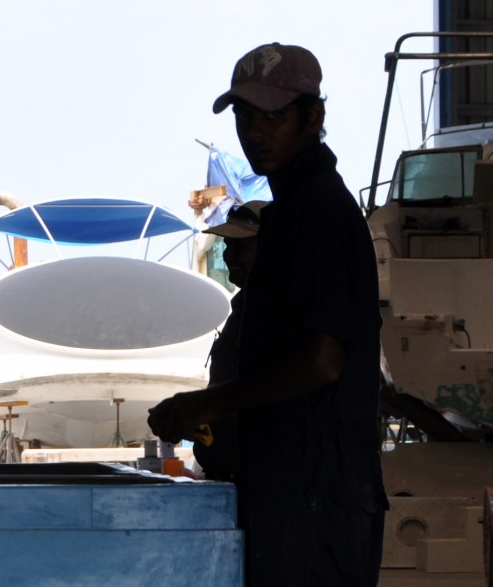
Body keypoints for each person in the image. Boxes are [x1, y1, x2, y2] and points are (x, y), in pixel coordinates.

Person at [148, 42, 386, 585]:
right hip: (292, 493)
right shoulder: (293, 213)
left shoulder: (319, 212)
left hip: (315, 501)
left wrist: (207, 403)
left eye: (274, 116)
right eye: (245, 117)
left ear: (313, 117)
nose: (256, 132)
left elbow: (321, 361)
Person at [194, 199, 266, 483]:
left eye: (240, 247)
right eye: (227, 246)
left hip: (260, 479)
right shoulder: (245, 308)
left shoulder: (278, 313)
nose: (229, 256)